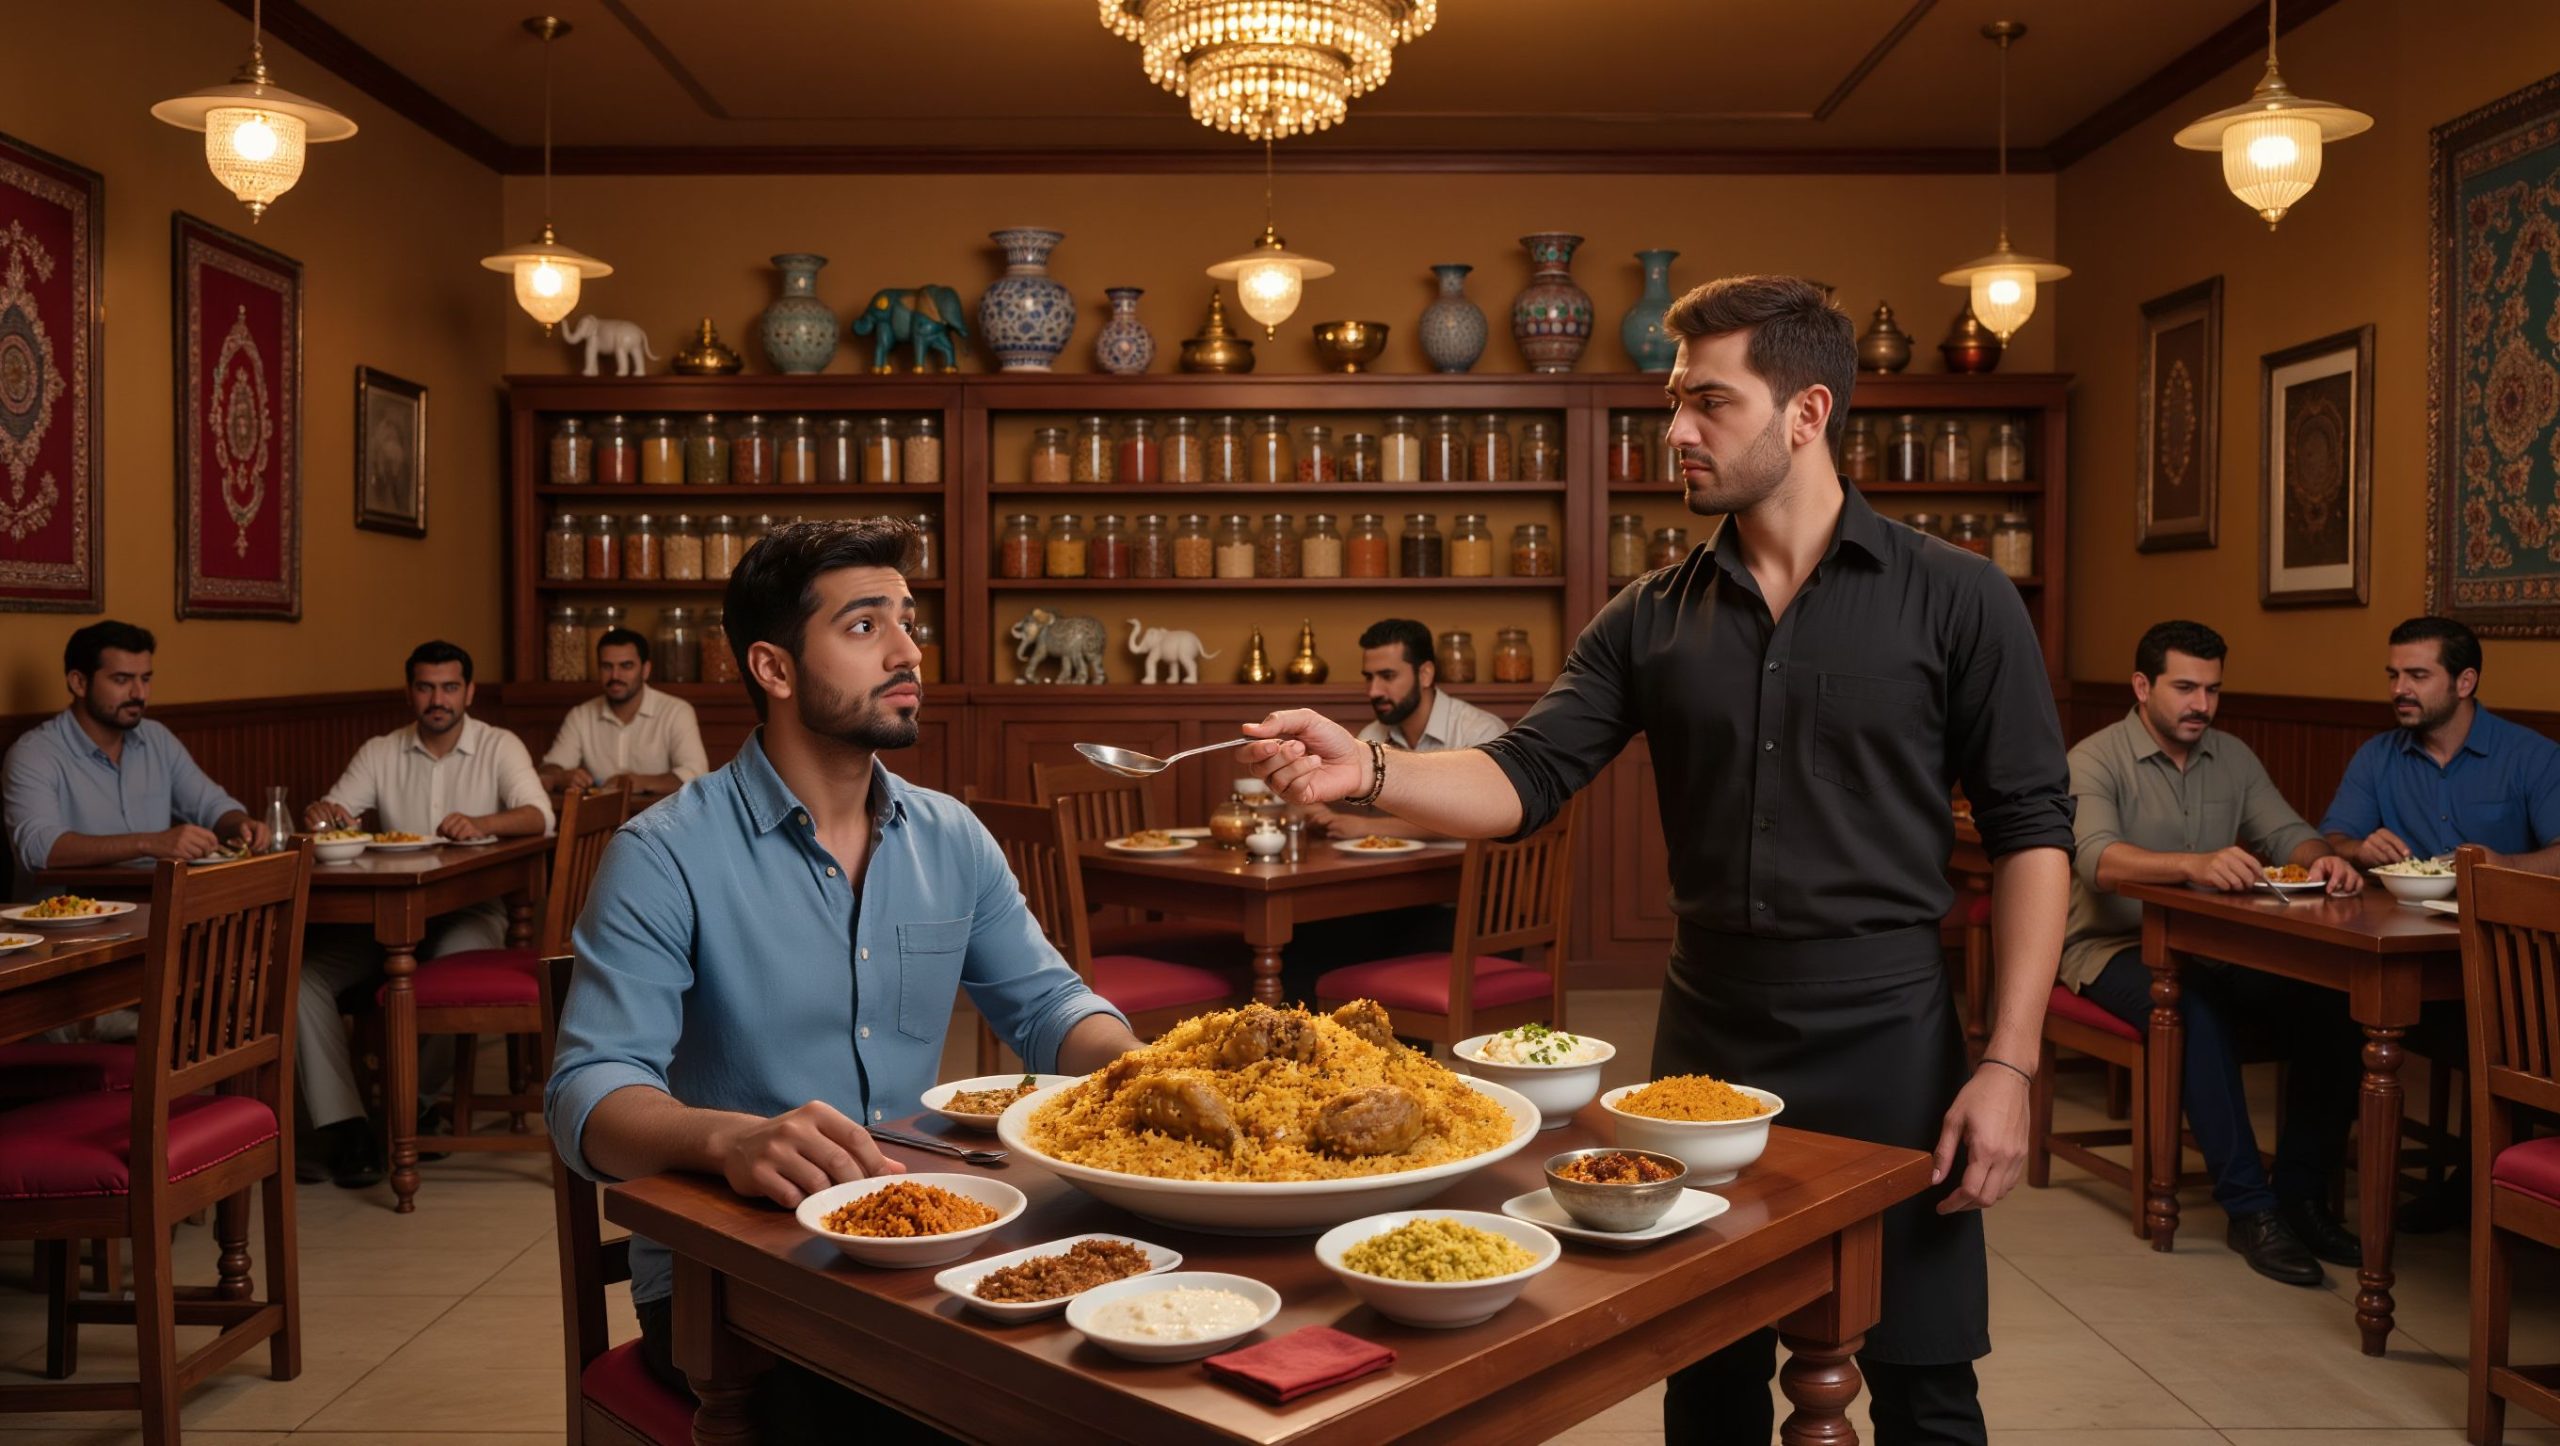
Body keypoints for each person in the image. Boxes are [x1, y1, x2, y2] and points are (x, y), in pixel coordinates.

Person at [1245, 275, 2072, 1446]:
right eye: (1673, 402)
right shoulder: (1646, 614)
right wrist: (1365, 774)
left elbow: (2036, 830)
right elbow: (1524, 775)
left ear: (1806, 413)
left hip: (1896, 1036)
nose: (1675, 432)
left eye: (1708, 404)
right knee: (1706, 1370)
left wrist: (2011, 1065)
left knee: (1928, 1381)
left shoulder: (1959, 597)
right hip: (1709, 1035)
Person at [547, 519, 1140, 1444]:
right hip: (731, 1284)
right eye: (865, 626)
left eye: (908, 621)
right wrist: (728, 1141)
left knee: (1123, 1372)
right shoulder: (662, 855)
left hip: (930, 1237)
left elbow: (1051, 1007)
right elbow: (587, 1095)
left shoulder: (953, 836)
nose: (909, 651)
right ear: (774, 669)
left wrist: (1142, 1067)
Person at [2064, 619, 2365, 1284]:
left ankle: (2300, 1196)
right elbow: (2097, 863)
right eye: (2185, 687)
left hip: (2212, 945)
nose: (2202, 704)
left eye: (2213, 690)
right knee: (2193, 1010)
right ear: (2142, 686)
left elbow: (2288, 832)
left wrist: (2324, 861)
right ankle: (2250, 1210)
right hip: (2112, 948)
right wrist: (2191, 865)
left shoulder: (2231, 756)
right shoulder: (2093, 758)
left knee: (2335, 1004)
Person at [294, 641, 554, 1188]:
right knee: (303, 980)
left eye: (449, 687)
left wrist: (484, 822)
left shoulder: (498, 745)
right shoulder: (380, 750)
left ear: (469, 692)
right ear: (409, 691)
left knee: (440, 972)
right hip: (381, 919)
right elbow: (337, 815)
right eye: (425, 687)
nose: (437, 699)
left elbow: (540, 817)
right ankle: (347, 1126)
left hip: (471, 911)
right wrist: (324, 815)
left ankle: (410, 1107)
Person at [3, 620, 268, 880]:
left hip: (156, 910)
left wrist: (240, 824)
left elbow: (211, 804)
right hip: (65, 916)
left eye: (146, 678)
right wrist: (149, 843)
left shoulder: (156, 739)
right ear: (79, 683)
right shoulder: (34, 753)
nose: (139, 693)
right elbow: (38, 848)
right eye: (122, 680)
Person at [2319, 616, 2560, 873]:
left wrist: (2500, 866)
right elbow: (2331, 842)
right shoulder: (2376, 756)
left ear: (2464, 683)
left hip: (2502, 910)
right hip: (2397, 910)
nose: (2399, 689)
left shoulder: (2534, 756)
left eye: (2418, 676)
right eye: (2394, 676)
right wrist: (2359, 851)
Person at [1302, 618, 1508, 842]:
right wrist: (1317, 810)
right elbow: (1350, 808)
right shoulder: (1371, 737)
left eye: (1388, 676)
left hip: (1468, 872)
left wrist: (1366, 827)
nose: (1373, 691)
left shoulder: (1481, 732)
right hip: (1389, 871)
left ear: (1425, 674)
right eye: (1369, 677)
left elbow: (1482, 820)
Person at [536, 627, 709, 799]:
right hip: (599, 821)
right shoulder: (581, 715)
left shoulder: (676, 711)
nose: (615, 676)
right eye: (606, 666)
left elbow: (695, 775)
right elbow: (548, 770)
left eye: (626, 666)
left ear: (646, 670)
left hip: (661, 822)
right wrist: (561, 778)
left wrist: (636, 781)